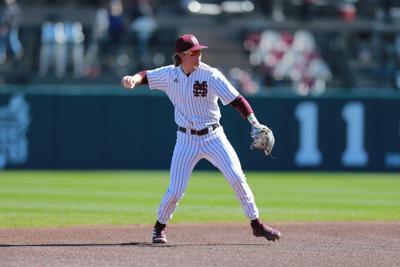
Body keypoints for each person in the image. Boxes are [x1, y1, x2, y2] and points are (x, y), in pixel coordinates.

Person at [121, 34, 281, 244]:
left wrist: (254, 122)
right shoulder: (170, 75)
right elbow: (146, 76)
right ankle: (159, 228)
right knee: (176, 190)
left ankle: (256, 225)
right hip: (186, 139)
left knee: (237, 178)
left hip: (214, 136)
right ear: (181, 56)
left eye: (199, 51)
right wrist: (133, 79)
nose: (199, 55)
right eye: (194, 52)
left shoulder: (211, 75)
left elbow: (237, 100)